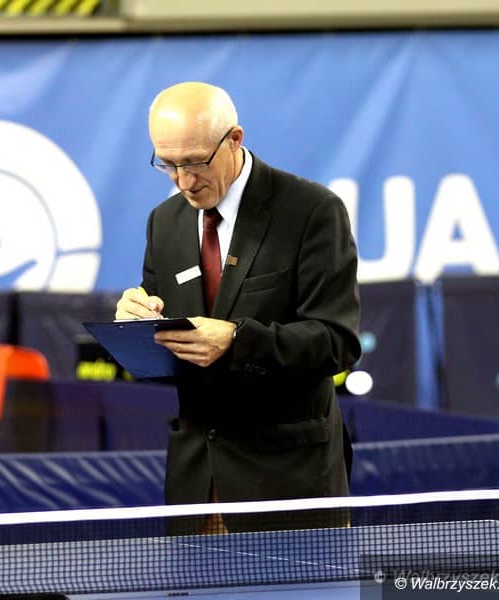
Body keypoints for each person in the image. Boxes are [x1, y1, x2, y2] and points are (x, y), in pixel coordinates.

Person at [115, 82, 361, 530]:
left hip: (290, 487)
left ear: (234, 139)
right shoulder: (165, 223)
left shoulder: (311, 211)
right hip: (196, 489)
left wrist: (236, 340)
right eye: (168, 164)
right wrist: (136, 326)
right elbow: (165, 353)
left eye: (195, 162)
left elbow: (336, 342)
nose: (184, 181)